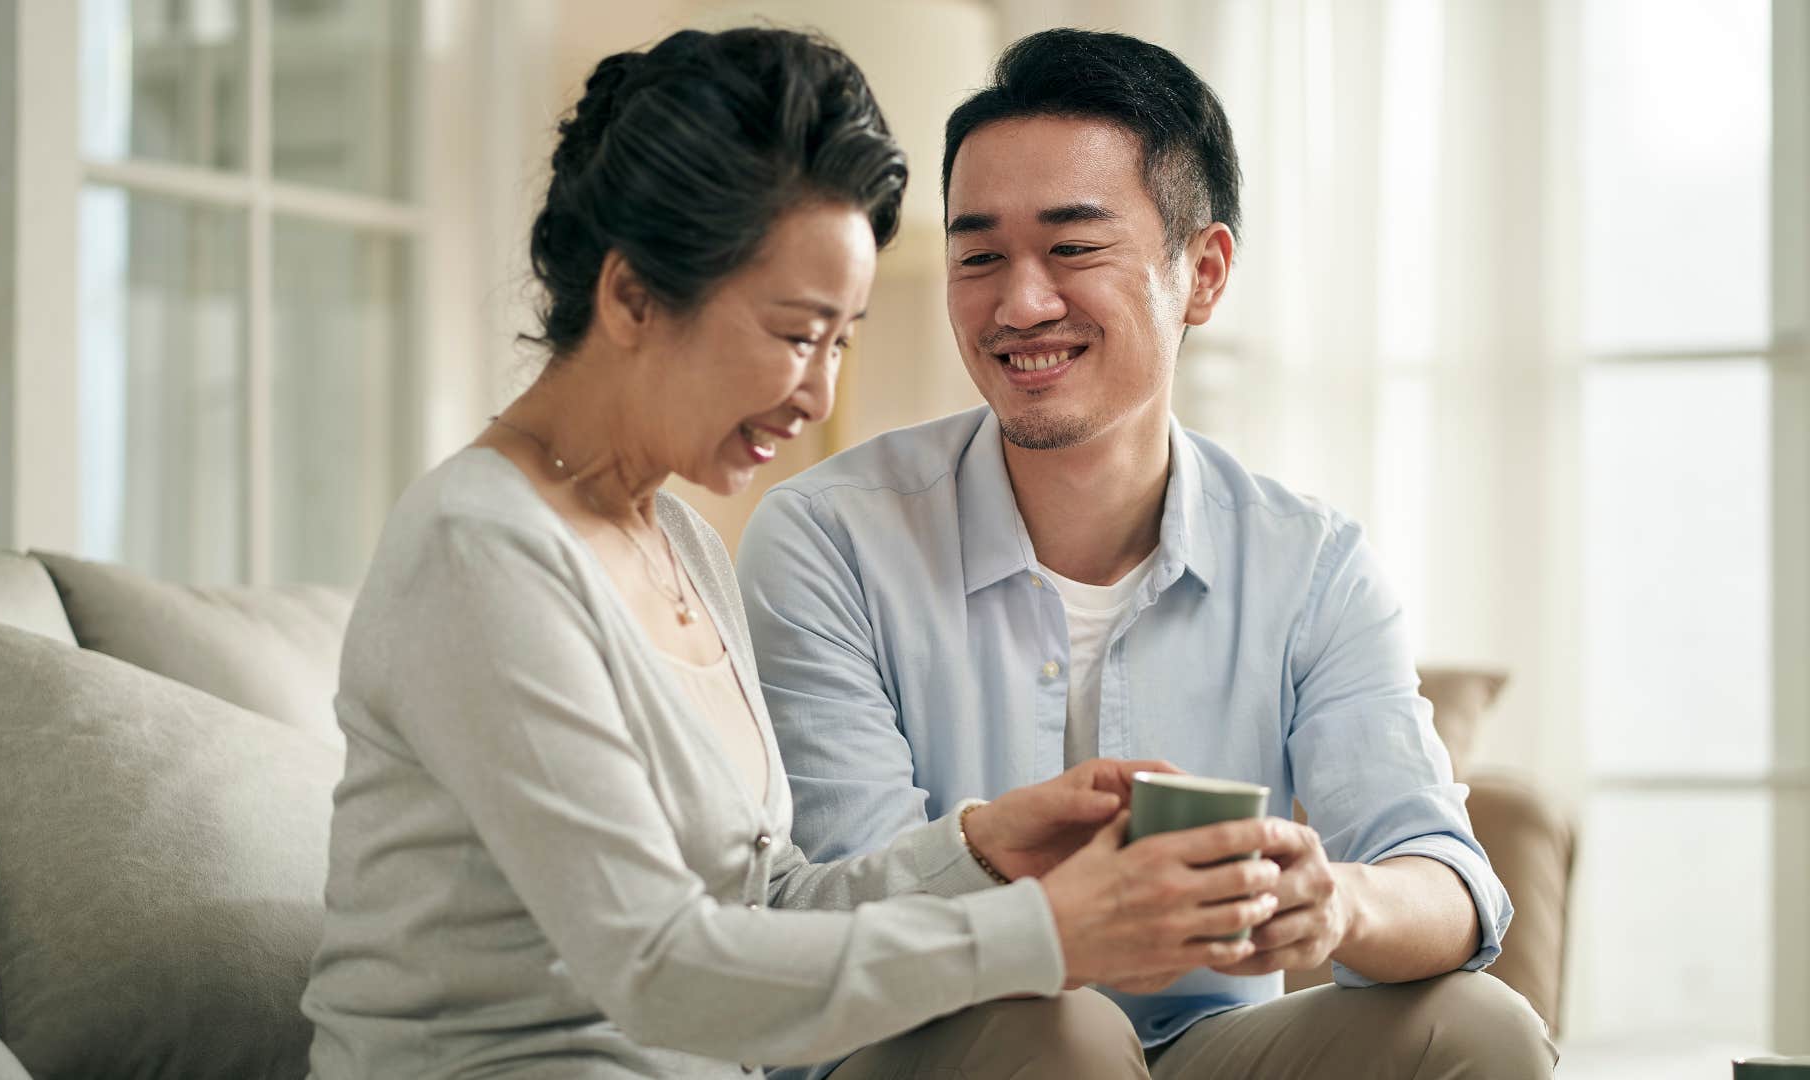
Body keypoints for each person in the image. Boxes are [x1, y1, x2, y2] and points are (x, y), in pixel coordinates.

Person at [301, 27, 1293, 1080]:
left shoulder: (674, 536)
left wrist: (982, 847)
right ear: (633, 296)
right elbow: (660, 966)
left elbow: (761, 910)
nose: (819, 396)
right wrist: (1047, 930)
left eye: (843, 341)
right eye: (794, 332)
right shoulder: (480, 550)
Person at [736, 28, 1559, 1079]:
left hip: (1208, 1045)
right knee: (1063, 1034)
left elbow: (1446, 877)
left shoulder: (1311, 562)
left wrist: (1332, 899)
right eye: (979, 255)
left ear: (1202, 273)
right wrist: (1013, 866)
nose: (1019, 303)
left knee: (1481, 1029)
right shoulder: (827, 536)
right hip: (931, 1039)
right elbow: (843, 906)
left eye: (1072, 248)